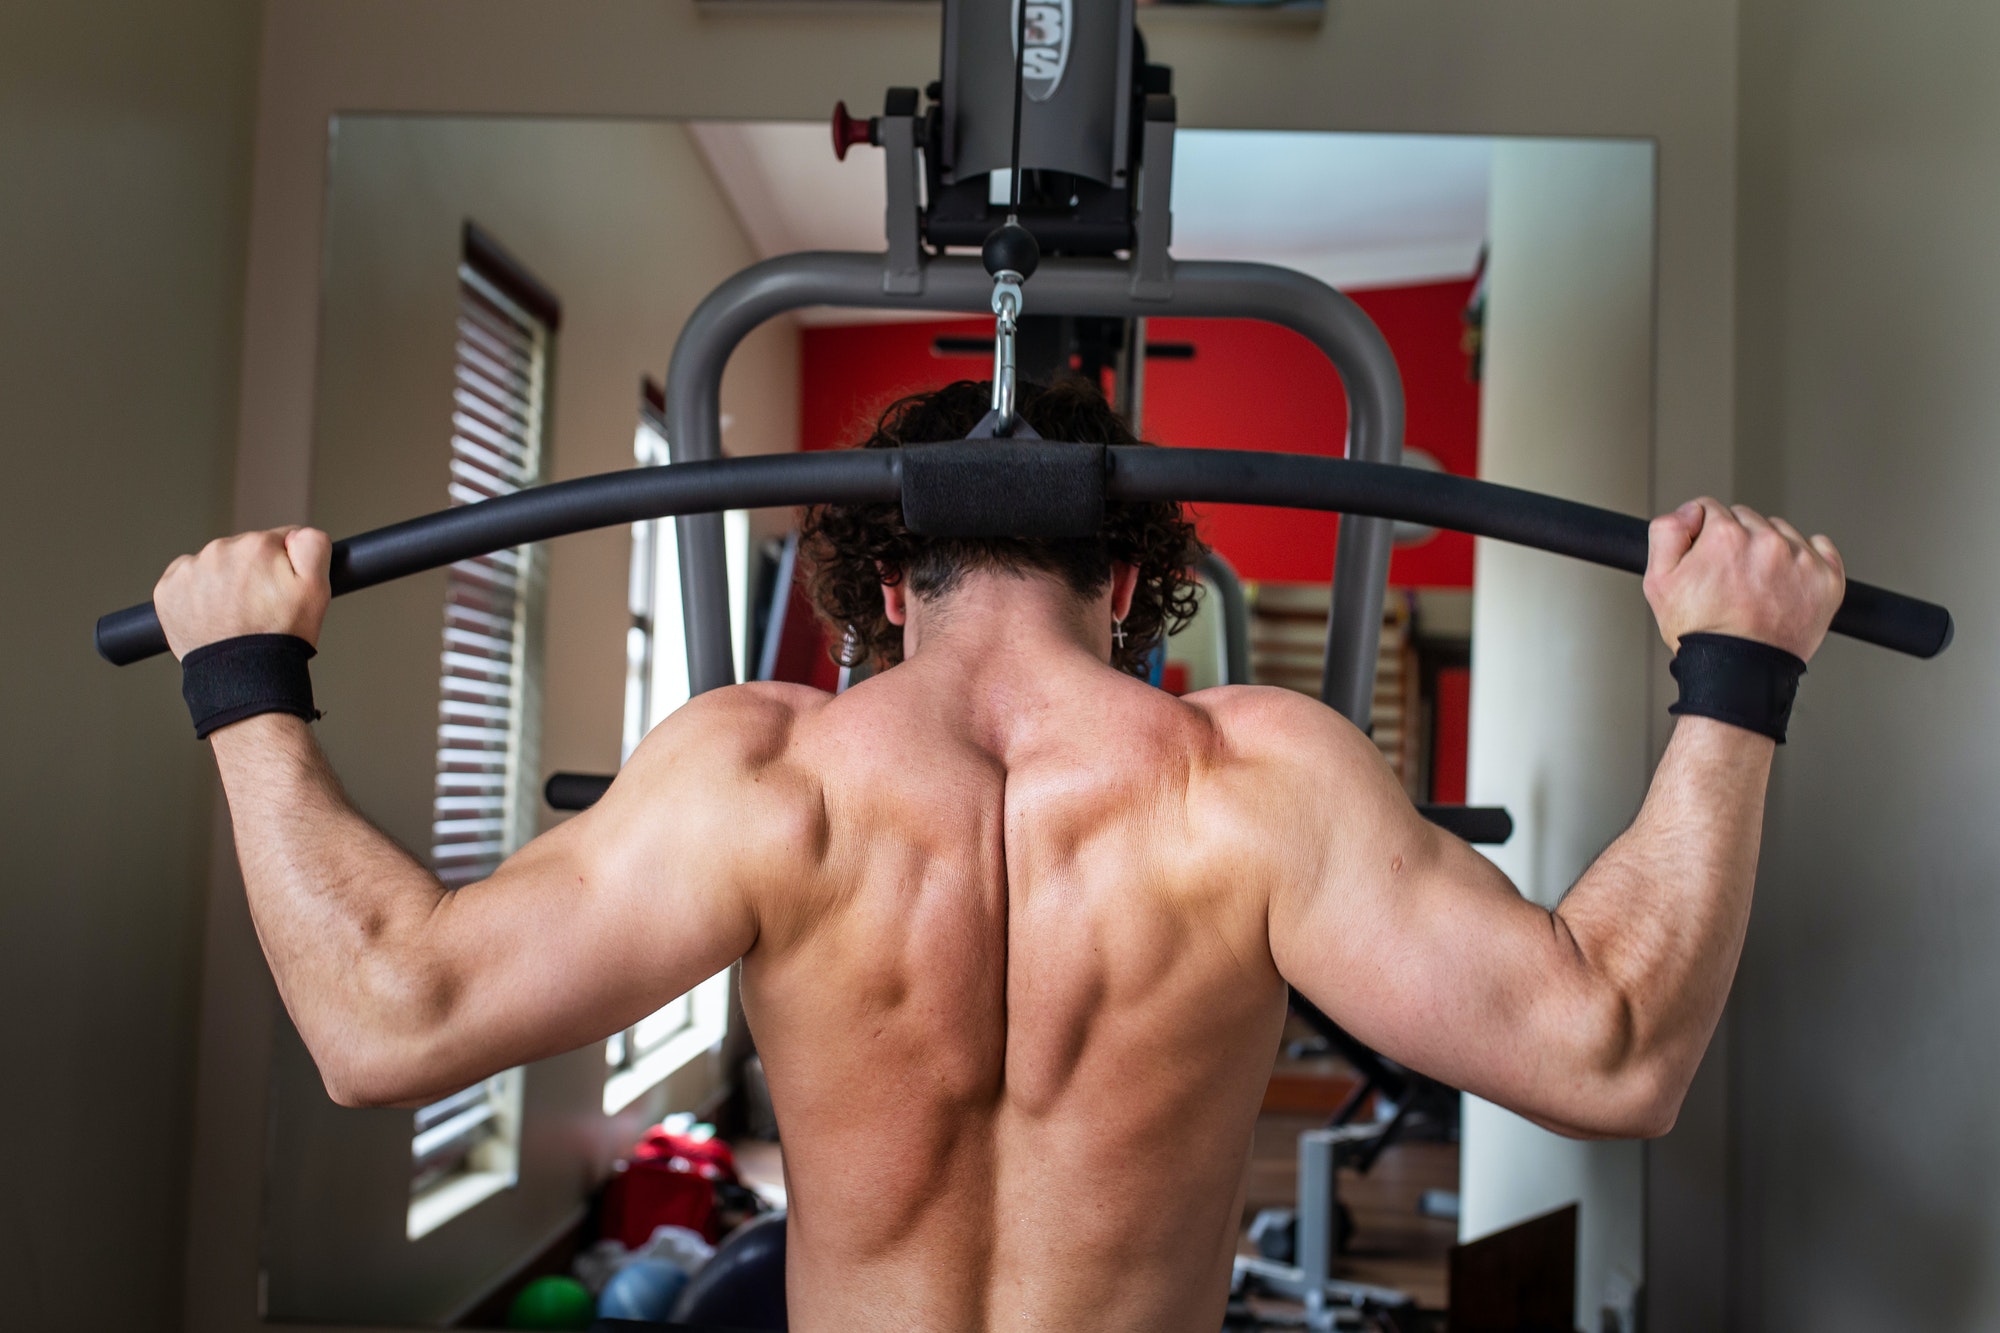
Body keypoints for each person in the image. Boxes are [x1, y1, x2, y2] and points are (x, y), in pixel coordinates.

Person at [153, 379, 1846, 1333]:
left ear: (888, 582)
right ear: (1133, 581)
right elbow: (1611, 1047)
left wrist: (243, 684)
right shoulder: (1256, 782)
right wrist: (1737, 671)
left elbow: (381, 1016)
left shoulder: (762, 776)